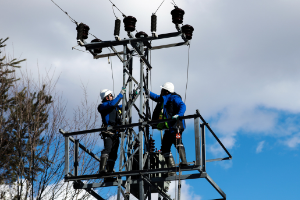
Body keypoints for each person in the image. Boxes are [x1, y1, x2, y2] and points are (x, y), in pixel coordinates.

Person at [147, 82, 188, 173]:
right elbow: (157, 98)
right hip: (170, 128)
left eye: (162, 89)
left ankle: (184, 162)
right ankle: (171, 169)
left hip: (176, 126)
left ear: (166, 91)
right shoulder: (165, 98)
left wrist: (179, 115)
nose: (161, 91)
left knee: (177, 142)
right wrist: (148, 93)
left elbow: (182, 105)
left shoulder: (174, 97)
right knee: (165, 148)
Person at [98, 88, 125, 181]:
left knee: (113, 154)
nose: (112, 96)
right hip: (108, 132)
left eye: (112, 95)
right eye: (110, 95)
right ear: (106, 97)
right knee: (108, 149)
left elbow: (124, 106)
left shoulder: (114, 106)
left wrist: (132, 98)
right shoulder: (103, 106)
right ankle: (102, 170)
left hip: (115, 133)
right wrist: (120, 94)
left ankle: (109, 174)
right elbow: (113, 103)